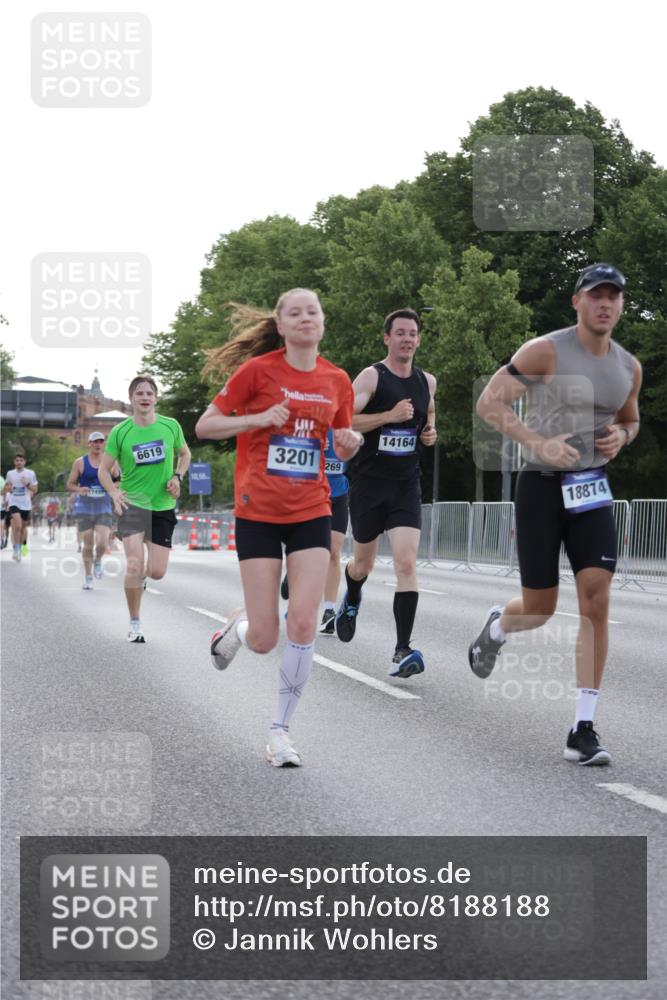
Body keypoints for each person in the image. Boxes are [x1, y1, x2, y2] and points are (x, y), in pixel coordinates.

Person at [469, 263, 641, 766]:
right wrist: (537, 442)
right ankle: (499, 626)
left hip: (591, 491)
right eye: (596, 296)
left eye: (614, 296)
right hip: (541, 488)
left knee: (596, 598)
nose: (605, 304)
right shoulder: (545, 350)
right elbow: (490, 402)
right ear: (577, 302)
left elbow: (630, 418)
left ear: (622, 305)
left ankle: (582, 727)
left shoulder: (629, 366)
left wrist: (622, 437)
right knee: (540, 608)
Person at [195, 289, 361, 768]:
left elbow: (343, 444)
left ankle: (280, 732)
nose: (306, 317)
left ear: (322, 323)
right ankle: (239, 627)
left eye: (314, 310)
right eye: (296, 312)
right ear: (282, 326)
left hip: (312, 507)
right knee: (266, 638)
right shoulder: (258, 372)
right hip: (258, 510)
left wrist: (349, 443)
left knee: (304, 621)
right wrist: (258, 418)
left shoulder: (336, 380)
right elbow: (207, 426)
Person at [334, 308, 437, 678]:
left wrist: (430, 434)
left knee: (406, 563)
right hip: (368, 483)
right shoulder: (371, 376)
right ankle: (353, 595)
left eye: (413, 333)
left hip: (406, 484)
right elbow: (342, 419)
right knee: (362, 564)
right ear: (387, 338)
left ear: (419, 340)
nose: (407, 339)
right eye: (400, 333)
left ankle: (402, 650)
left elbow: (429, 418)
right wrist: (387, 417)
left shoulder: (428, 381)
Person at [98, 376, 191, 642]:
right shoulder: (121, 432)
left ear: (156, 398)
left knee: (158, 572)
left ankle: (141, 578)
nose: (145, 397)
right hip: (133, 504)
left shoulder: (170, 426)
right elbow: (104, 471)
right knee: (135, 565)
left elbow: (185, 454)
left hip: (163, 505)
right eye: (139, 393)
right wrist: (114, 492)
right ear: (131, 398)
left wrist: (177, 477)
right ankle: (135, 622)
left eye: (149, 393)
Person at [280, 427, 350, 635]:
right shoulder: (312, 419)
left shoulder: (351, 422)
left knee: (333, 552)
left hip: (339, 494)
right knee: (308, 552)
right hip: (312, 493)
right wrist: (313, 444)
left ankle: (329, 611)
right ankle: (294, 586)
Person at [67, 431, 118, 589]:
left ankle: (98, 561)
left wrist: (111, 488)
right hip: (84, 508)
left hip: (103, 507)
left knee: (102, 542)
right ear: (89, 444)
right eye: (94, 441)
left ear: (104, 444)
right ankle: (88, 577)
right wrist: (79, 489)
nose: (97, 444)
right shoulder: (80, 462)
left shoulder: (111, 462)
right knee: (88, 543)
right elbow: (70, 484)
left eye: (101, 442)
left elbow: (119, 481)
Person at [3, 453, 38, 561]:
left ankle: (23, 545)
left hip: (26, 504)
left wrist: (27, 484)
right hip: (14, 503)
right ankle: (16, 549)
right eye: (17, 460)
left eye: (21, 460)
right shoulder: (10, 473)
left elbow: (35, 490)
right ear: (14, 462)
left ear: (24, 462)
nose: (19, 462)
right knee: (17, 526)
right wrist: (7, 496)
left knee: (23, 528)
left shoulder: (30, 473)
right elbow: (6, 487)